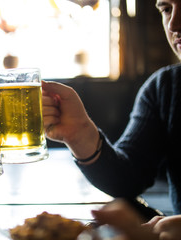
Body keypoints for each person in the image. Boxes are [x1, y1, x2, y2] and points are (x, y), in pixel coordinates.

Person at [42, 0, 181, 239]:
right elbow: (127, 180)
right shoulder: (164, 88)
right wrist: (80, 133)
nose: (174, 24)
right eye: (167, 9)